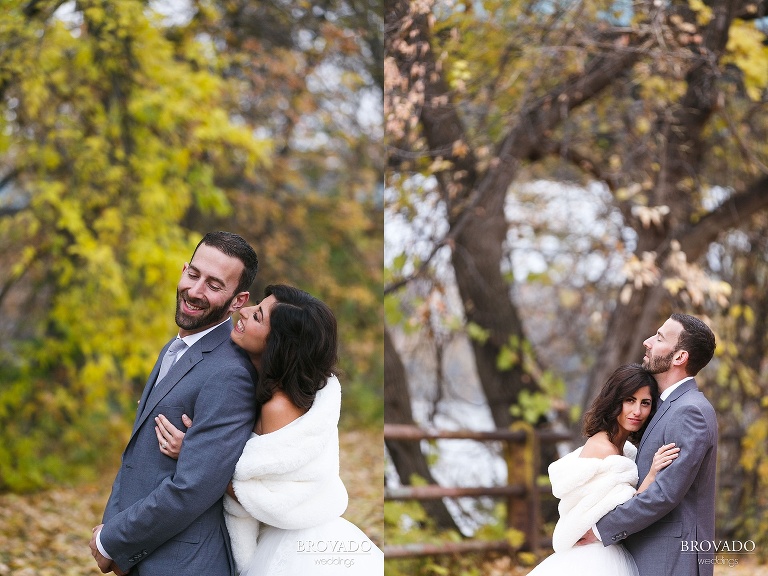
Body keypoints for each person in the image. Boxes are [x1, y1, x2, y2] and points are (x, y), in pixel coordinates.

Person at [157, 284, 384, 576]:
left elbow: (268, 499)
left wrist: (193, 453)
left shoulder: (278, 407)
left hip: (293, 547)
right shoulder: (283, 390)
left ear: (277, 343)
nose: (244, 310)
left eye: (257, 317)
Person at [90, 231, 260, 575]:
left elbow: (192, 489)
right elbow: (136, 458)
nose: (195, 291)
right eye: (193, 275)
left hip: (183, 564)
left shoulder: (231, 373)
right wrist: (116, 537)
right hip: (143, 553)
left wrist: (114, 540)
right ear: (184, 269)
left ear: (239, 300)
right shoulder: (175, 347)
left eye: (214, 285)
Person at [579, 313, 718, 576]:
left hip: (671, 558)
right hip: (653, 552)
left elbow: (664, 494)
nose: (647, 342)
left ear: (679, 357)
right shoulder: (668, 406)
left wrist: (599, 530)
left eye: (659, 337)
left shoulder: (690, 412)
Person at [527, 363, 680, 576]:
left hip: (605, 547)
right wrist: (653, 473)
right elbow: (626, 510)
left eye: (645, 403)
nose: (637, 411)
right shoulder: (603, 447)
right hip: (595, 556)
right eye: (630, 400)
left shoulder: (624, 449)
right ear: (615, 401)